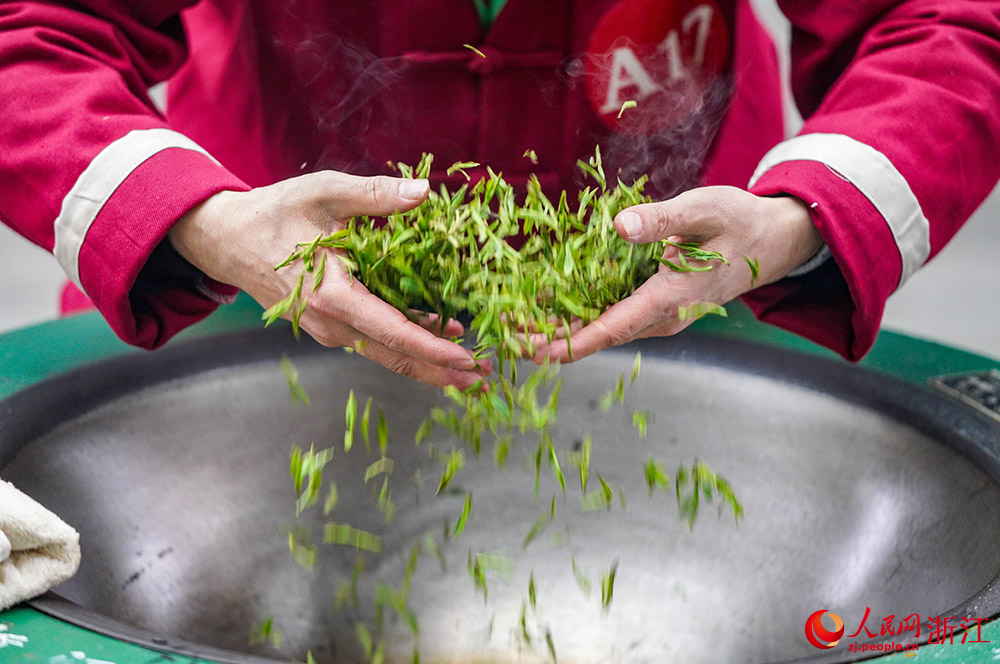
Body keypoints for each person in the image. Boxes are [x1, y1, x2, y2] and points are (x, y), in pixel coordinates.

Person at [1, 1, 998, 390]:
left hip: (701, 306)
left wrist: (799, 220)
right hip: (243, 293)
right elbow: (31, 36)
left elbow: (943, 26)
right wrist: (196, 221)